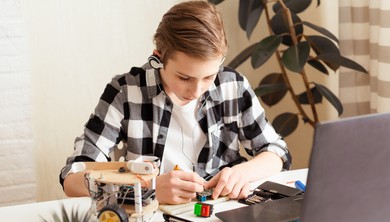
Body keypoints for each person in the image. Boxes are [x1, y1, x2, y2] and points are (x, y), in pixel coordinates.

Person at [59, 1, 291, 205]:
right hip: (154, 220)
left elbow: (276, 152)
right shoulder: (125, 91)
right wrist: (147, 188)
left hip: (224, 212)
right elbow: (72, 178)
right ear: (158, 58)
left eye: (209, 76)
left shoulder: (233, 85)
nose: (197, 90)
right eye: (184, 77)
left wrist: (243, 171)